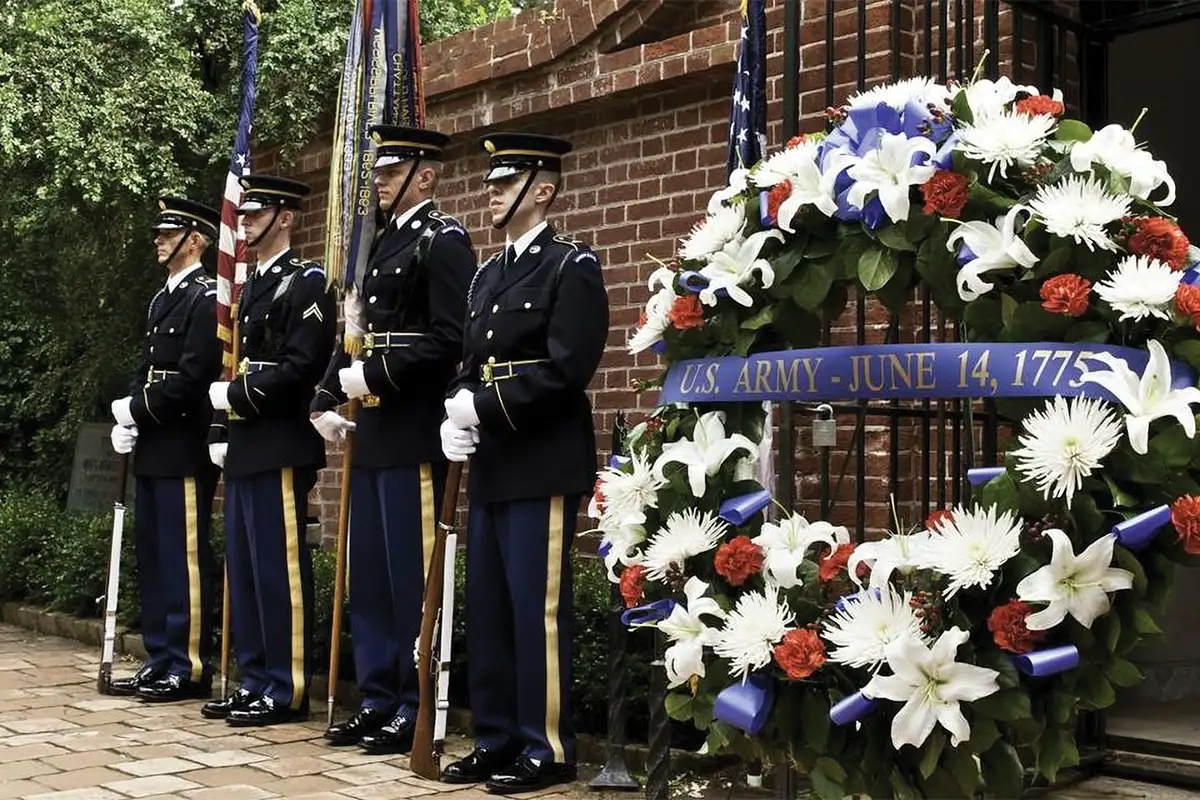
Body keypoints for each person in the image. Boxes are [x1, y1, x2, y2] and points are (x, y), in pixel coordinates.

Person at [439, 132, 609, 794]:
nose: (491, 193)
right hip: (491, 463)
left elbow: (568, 369)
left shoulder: (572, 267)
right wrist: (453, 408)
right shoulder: (487, 274)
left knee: (534, 610)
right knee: (488, 606)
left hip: (541, 461)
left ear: (544, 188)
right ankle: (497, 737)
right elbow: (469, 361)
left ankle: (547, 746)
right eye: (489, 183)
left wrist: (482, 406)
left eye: (503, 183)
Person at [311, 125, 475, 751]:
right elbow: (354, 333)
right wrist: (326, 395)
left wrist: (370, 374)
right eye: (378, 172)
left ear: (425, 176)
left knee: (411, 576)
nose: (377, 182)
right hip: (374, 431)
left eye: (390, 171)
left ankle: (414, 699)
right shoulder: (378, 246)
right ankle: (378, 696)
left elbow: (450, 339)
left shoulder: (444, 241)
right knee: (370, 577)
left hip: (413, 433)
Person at [202, 175, 336, 726]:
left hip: (281, 442)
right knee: (247, 566)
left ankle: (284, 686)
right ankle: (254, 677)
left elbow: (303, 365)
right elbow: (235, 357)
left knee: (278, 569)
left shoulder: (307, 282)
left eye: (258, 212)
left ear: (286, 216)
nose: (246, 220)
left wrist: (235, 397)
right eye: (245, 212)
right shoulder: (251, 284)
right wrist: (219, 426)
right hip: (247, 441)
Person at [108, 196, 223, 702]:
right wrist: (127, 409)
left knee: (184, 558)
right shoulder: (161, 299)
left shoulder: (206, 297)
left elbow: (194, 378)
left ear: (194, 240)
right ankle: (160, 656)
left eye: (167, 233)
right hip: (154, 442)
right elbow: (146, 365)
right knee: (153, 555)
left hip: (182, 443)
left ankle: (189, 663)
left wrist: (139, 409)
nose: (158, 239)